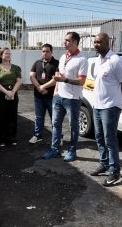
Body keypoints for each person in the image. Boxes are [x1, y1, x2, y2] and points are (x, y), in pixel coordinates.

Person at [89, 33, 122, 187]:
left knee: (110, 139)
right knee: (99, 137)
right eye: (94, 42)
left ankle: (115, 172)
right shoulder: (98, 61)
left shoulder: (115, 60)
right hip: (98, 106)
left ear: (107, 43)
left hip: (111, 106)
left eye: (99, 42)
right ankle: (104, 164)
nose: (95, 45)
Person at [42, 31, 87, 162]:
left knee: (73, 126)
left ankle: (72, 151)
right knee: (55, 124)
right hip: (58, 97)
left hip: (73, 99)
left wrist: (65, 80)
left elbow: (82, 81)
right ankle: (55, 149)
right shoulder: (63, 57)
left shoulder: (82, 59)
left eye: (67, 40)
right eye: (65, 40)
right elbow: (59, 76)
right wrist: (56, 90)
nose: (64, 42)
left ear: (75, 42)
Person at [0, 48, 22, 146]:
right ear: (1, 55)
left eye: (9, 53)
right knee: (1, 116)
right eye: (6, 53)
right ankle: (2, 139)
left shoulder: (16, 68)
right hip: (1, 95)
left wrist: (12, 92)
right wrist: (6, 92)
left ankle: (12, 138)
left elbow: (19, 81)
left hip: (13, 94)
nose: (8, 55)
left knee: (12, 116)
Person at [29, 43, 59, 144]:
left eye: (47, 51)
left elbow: (56, 80)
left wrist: (43, 87)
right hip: (38, 96)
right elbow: (32, 76)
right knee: (38, 117)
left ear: (51, 52)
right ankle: (37, 136)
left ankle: (58, 137)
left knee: (54, 118)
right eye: (43, 51)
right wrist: (39, 87)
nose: (45, 53)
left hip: (52, 97)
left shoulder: (57, 63)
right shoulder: (37, 63)